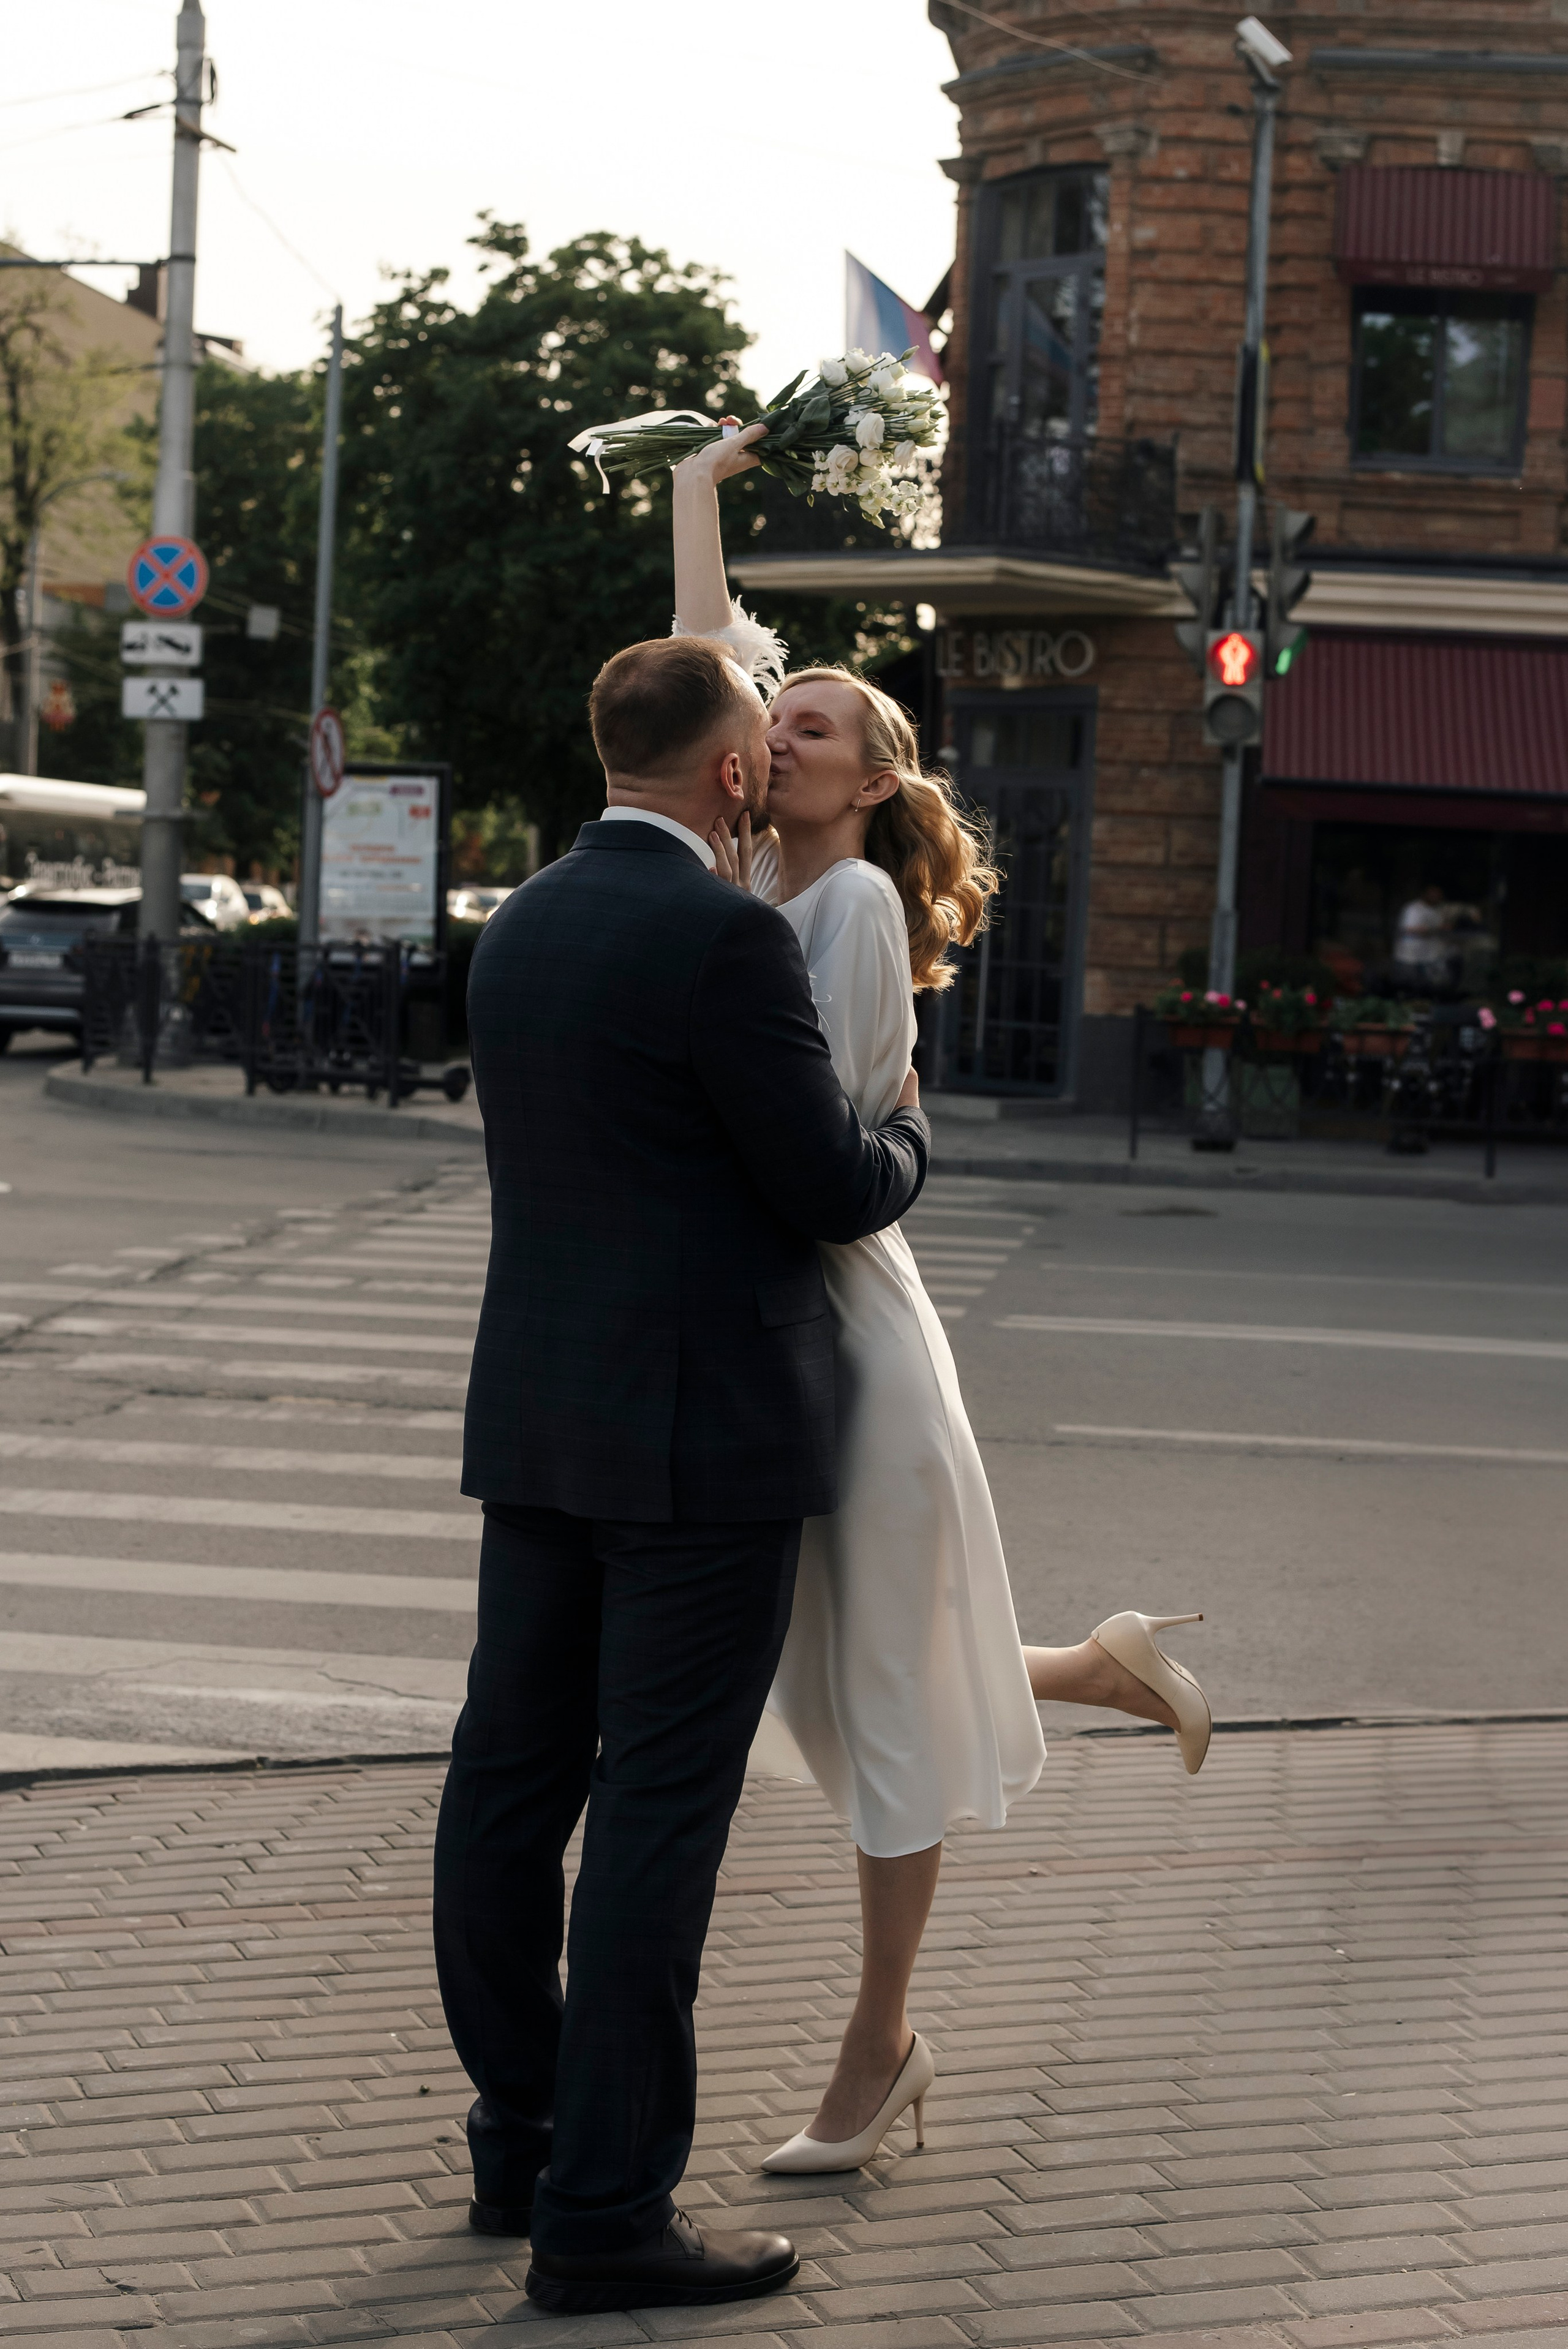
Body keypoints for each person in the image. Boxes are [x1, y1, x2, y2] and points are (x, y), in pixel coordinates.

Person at [670, 419, 1214, 2176]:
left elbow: (802, 1155)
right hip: (803, 1331)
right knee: (842, 1687)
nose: (775, 728)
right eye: (773, 714)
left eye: (810, 720)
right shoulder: (761, 879)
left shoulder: (830, 917)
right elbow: (702, 668)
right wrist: (696, 501)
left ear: (870, 779)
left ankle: (878, 2044)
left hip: (849, 1337)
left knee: (881, 1706)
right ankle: (1108, 1667)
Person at [433, 632, 931, 2313]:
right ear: (729, 773)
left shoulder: (522, 925)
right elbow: (832, 1181)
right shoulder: (724, 940)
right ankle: (608, 2209)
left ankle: (521, 2131)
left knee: (506, 1788)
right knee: (656, 1817)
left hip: (540, 1426)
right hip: (701, 1447)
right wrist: (913, 1132)